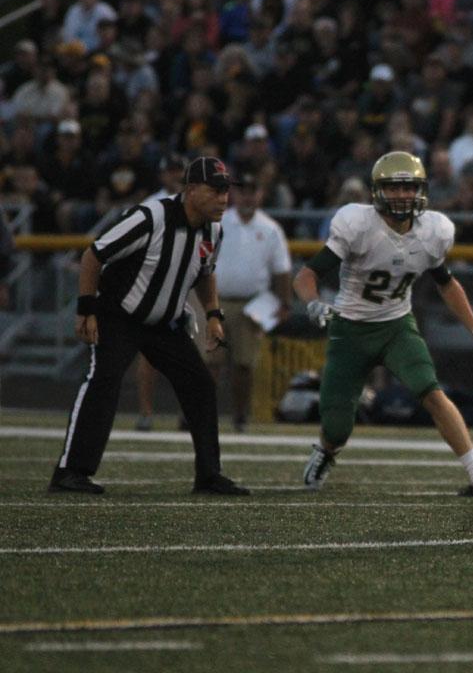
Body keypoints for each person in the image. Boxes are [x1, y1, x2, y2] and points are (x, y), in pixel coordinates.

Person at [293, 151, 473, 497]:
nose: (402, 195)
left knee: (432, 392)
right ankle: (325, 452)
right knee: (337, 427)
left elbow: (446, 283)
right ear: (377, 191)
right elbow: (307, 275)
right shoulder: (357, 225)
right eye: (393, 188)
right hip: (350, 329)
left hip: (396, 326)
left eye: (408, 188)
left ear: (420, 190)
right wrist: (314, 302)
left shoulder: (431, 231)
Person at [49, 157, 248, 496]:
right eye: (215, 191)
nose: (224, 198)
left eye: (226, 191)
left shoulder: (214, 230)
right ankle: (70, 471)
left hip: (163, 323)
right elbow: (93, 255)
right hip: (120, 315)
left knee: (200, 384)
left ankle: (209, 475)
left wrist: (214, 314)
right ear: (190, 189)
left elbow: (205, 271)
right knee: (104, 380)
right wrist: (86, 308)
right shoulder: (150, 217)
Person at [210, 172, 293, 433]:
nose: (247, 195)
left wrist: (284, 303)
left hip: (251, 305)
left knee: (244, 365)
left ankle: (239, 416)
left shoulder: (270, 229)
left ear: (260, 194)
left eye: (252, 190)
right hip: (215, 300)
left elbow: (282, 270)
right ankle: (199, 414)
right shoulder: (218, 222)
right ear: (234, 193)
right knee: (210, 363)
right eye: (242, 190)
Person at [134, 153, 188, 432]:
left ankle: (186, 414)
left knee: (190, 353)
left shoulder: (196, 204)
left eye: (180, 171)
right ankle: (146, 413)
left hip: (187, 286)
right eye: (172, 171)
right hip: (154, 285)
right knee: (148, 354)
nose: (176, 176)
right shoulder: (149, 206)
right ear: (162, 174)